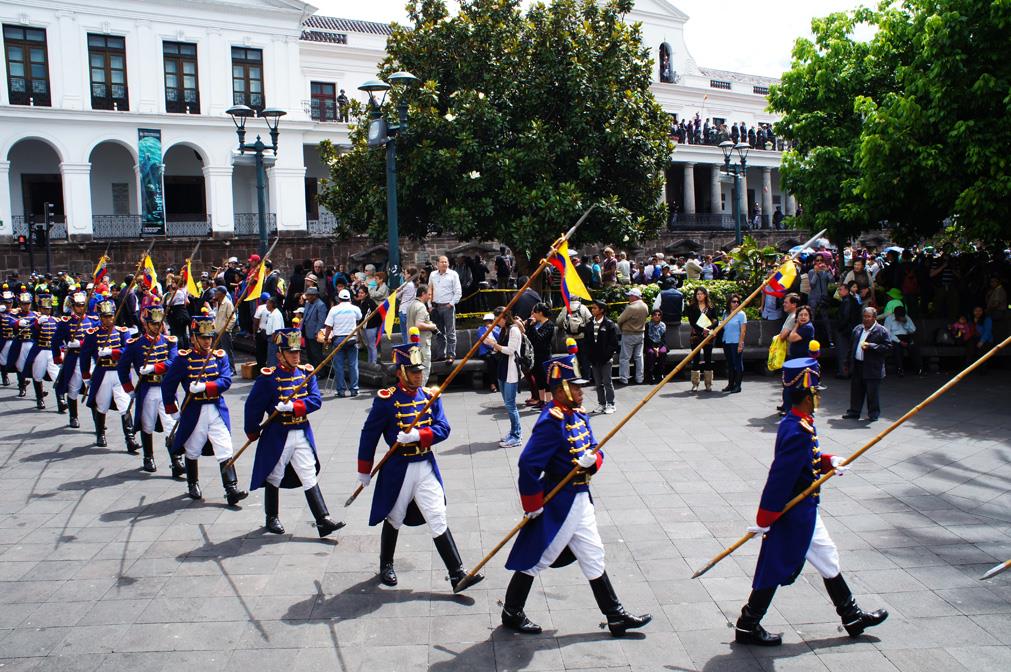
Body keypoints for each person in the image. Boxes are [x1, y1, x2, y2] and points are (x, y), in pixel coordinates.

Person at [734, 357, 887, 646]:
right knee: (775, 566)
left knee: (827, 558)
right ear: (806, 397)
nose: (817, 399)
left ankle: (852, 617)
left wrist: (829, 462)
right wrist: (764, 519)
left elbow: (807, 462)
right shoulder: (796, 430)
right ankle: (747, 624)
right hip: (792, 513)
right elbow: (780, 477)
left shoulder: (799, 423)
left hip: (804, 511)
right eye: (815, 394)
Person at [501, 353, 652, 637]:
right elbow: (528, 464)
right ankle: (512, 611)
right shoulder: (551, 421)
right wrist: (532, 504)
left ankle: (615, 616)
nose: (582, 392)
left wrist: (591, 461)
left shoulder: (578, 415)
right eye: (577, 387)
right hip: (561, 501)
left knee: (593, 554)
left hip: (582, 497)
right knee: (538, 557)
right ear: (561, 390)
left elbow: (596, 448)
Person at [356, 341, 484, 591]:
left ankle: (457, 573)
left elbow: (444, 428)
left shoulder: (429, 396)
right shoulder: (386, 400)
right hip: (399, 467)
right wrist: (364, 469)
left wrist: (419, 435)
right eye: (414, 371)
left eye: (420, 370)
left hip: (425, 464)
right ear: (400, 372)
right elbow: (369, 434)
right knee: (394, 517)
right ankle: (386, 564)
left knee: (437, 515)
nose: (419, 375)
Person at [245, 328, 345, 538]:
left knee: (308, 472)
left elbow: (316, 400)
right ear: (280, 354)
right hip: (278, 433)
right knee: (275, 473)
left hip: (300, 431)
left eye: (297, 352)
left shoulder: (305, 373)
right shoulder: (269, 377)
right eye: (291, 353)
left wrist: (294, 406)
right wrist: (252, 430)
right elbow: (253, 406)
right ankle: (271, 516)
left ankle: (323, 519)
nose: (296, 356)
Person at [162, 314, 247, 506]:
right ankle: (193, 483)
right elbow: (168, 384)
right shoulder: (184, 359)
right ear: (193, 338)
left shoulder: (219, 356)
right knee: (193, 448)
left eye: (209, 337)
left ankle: (231, 488)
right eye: (203, 337)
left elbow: (225, 381)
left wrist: (205, 387)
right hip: (194, 410)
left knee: (224, 446)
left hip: (216, 407)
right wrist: (172, 409)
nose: (208, 341)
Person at [118, 303, 179, 474]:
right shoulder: (136, 344)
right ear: (145, 324)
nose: (157, 327)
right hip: (147, 389)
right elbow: (123, 367)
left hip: (166, 388)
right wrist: (129, 388)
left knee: (171, 423)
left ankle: (176, 460)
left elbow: (173, 362)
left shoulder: (169, 342)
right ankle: (148, 457)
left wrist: (155, 367)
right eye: (153, 324)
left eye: (159, 324)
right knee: (147, 423)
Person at [80, 299, 142, 452]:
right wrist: (86, 375)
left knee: (124, 405)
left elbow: (127, 352)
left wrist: (111, 352)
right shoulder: (93, 334)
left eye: (110, 316)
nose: (108, 319)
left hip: (119, 374)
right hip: (102, 374)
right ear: (100, 317)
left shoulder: (122, 332)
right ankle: (100, 434)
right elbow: (84, 356)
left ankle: (130, 438)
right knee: (102, 405)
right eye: (105, 316)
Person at [54, 291, 99, 428]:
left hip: (89, 359)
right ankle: (73, 416)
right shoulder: (65, 322)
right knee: (73, 388)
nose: (80, 308)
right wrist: (60, 354)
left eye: (82, 305)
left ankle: (98, 422)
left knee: (93, 390)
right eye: (78, 305)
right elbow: (55, 341)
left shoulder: (92, 321)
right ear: (73, 306)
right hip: (74, 358)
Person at [485, 307, 525, 447]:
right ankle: (513, 431)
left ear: (503, 317)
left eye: (497, 319)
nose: (496, 322)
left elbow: (510, 350)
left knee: (510, 404)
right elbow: (500, 348)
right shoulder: (503, 330)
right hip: (502, 368)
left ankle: (517, 435)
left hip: (511, 370)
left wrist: (494, 344)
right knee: (507, 404)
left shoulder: (514, 330)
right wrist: (492, 344)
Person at [843, 307, 892, 422]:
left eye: (868, 317)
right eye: (864, 316)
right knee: (856, 390)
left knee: (872, 392)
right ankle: (854, 412)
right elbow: (851, 347)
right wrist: (847, 362)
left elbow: (888, 347)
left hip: (873, 367)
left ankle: (873, 414)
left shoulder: (881, 331)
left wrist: (871, 346)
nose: (866, 319)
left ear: (874, 318)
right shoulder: (858, 329)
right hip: (858, 365)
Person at [22, 292, 61, 411]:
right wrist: (37, 324)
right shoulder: (35, 320)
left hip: (52, 351)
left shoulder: (56, 320)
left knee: (57, 376)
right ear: (39, 308)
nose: (46, 311)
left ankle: (61, 401)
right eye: (44, 309)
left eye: (48, 309)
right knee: (37, 375)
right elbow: (32, 333)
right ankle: (40, 399)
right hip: (40, 350)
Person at [323, 289, 363, 398]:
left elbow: (328, 326)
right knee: (353, 365)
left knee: (339, 366)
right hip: (352, 339)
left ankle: (341, 390)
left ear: (339, 299)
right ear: (349, 298)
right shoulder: (355, 308)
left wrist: (326, 339)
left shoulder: (334, 309)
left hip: (338, 340)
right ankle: (354, 389)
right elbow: (360, 318)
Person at [583, 299, 619, 414]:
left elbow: (613, 343)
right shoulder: (589, 324)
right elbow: (587, 342)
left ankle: (611, 404)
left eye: (594, 308)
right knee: (598, 384)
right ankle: (602, 404)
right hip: (594, 360)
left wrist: (606, 356)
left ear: (601, 310)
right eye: (592, 308)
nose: (592, 310)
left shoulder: (609, 324)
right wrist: (590, 356)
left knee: (607, 382)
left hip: (606, 360)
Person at [430, 256, 462, 364]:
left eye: (446, 262)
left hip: (448, 306)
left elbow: (458, 291)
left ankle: (450, 355)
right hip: (436, 307)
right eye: (442, 262)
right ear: (437, 264)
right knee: (439, 332)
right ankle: (441, 355)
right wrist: (430, 305)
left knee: (450, 332)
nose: (444, 264)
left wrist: (451, 304)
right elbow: (430, 289)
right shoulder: (433, 275)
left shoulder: (453, 274)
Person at [686, 287, 718, 392]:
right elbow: (692, 322)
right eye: (697, 294)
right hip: (696, 336)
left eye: (701, 293)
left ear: (705, 295)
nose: (699, 295)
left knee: (708, 359)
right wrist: (701, 329)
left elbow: (716, 320)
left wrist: (708, 328)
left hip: (708, 335)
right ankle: (695, 383)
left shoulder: (711, 306)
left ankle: (708, 384)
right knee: (696, 359)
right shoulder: (692, 307)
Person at [407, 284, 438, 384]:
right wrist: (432, 327)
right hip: (422, 344)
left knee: (414, 371)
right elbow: (418, 325)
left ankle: (414, 393)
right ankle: (420, 392)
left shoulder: (411, 305)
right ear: (423, 294)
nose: (430, 297)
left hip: (412, 343)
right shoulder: (421, 307)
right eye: (428, 294)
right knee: (423, 370)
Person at [526, 303, 555, 407]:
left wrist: (533, 326)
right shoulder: (536, 323)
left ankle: (548, 402)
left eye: (535, 312)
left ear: (540, 313)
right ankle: (541, 401)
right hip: (535, 355)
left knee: (546, 379)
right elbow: (529, 336)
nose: (533, 315)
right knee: (538, 379)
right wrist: (529, 325)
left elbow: (541, 339)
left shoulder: (549, 325)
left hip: (544, 355)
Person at [617, 288, 648, 385]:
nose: (629, 297)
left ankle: (624, 378)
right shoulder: (645, 306)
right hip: (640, 334)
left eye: (630, 295)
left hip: (629, 334)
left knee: (625, 358)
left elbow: (620, 320)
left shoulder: (631, 307)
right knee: (639, 357)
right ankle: (640, 378)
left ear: (634, 296)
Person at [556, 299, 592, 382]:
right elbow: (590, 320)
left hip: (570, 339)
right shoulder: (583, 307)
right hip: (582, 337)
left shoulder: (565, 308)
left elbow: (558, 322)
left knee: (573, 359)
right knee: (584, 358)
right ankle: (586, 378)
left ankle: (576, 377)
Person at [882, 306, 922, 376]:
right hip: (895, 338)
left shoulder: (907, 317)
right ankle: (900, 370)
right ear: (895, 314)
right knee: (897, 348)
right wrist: (899, 341)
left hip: (906, 337)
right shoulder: (889, 319)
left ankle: (919, 369)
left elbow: (913, 330)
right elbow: (887, 333)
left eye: (902, 316)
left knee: (914, 347)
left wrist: (905, 323)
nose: (900, 317)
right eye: (899, 316)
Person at [833, 283, 861, 378]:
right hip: (851, 329)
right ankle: (849, 371)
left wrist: (839, 328)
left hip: (845, 330)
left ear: (846, 290)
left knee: (843, 352)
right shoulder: (853, 300)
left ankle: (844, 372)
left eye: (840, 290)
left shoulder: (847, 301)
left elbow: (845, 317)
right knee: (850, 352)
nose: (839, 292)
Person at [721, 294, 747, 393]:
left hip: (736, 342)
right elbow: (722, 326)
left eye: (737, 302)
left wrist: (741, 344)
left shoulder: (741, 314)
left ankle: (738, 385)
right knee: (730, 364)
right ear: (729, 302)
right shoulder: (725, 313)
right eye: (734, 301)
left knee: (738, 364)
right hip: (726, 341)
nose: (736, 303)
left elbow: (743, 331)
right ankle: (730, 384)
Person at [300, 287, 327, 371]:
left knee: (316, 353)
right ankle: (311, 370)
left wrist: (317, 332)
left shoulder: (321, 305)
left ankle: (321, 372)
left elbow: (321, 321)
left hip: (314, 333)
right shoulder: (308, 303)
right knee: (309, 353)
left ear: (314, 296)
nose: (307, 297)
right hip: (306, 331)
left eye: (309, 295)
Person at [211, 286, 236, 376]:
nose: (215, 293)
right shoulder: (218, 302)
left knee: (227, 351)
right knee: (217, 351)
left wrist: (226, 330)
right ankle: (220, 368)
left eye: (217, 292)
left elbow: (233, 318)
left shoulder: (228, 303)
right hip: (217, 331)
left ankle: (231, 369)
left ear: (221, 293)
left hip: (224, 332)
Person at [355, 286, 380, 365]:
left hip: (370, 327)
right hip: (364, 327)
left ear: (366, 294)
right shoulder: (361, 302)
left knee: (372, 345)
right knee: (368, 345)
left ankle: (374, 363)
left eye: (362, 293)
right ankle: (370, 362)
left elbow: (368, 315)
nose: (360, 294)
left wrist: (361, 324)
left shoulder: (370, 302)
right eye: (359, 292)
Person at [476, 313, 500, 393]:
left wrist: (492, 329)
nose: (488, 322)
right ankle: (492, 384)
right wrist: (494, 347)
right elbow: (484, 341)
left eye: (490, 321)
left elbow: (500, 338)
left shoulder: (497, 328)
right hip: (486, 352)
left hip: (497, 350)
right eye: (486, 321)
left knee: (500, 359)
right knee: (491, 359)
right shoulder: (480, 329)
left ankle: (499, 382)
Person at [644, 309, 667, 384]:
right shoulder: (647, 325)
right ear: (652, 316)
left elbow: (663, 339)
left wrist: (658, 348)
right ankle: (650, 375)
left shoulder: (663, 325)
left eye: (659, 315)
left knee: (663, 352)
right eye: (655, 314)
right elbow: (646, 339)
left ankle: (661, 374)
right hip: (650, 345)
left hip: (660, 344)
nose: (657, 316)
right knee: (651, 353)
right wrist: (654, 348)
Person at [263, 296, 285, 368]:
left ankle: (273, 376)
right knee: (270, 359)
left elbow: (276, 330)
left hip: (274, 340)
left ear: (273, 304)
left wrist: (273, 340)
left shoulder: (276, 315)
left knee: (273, 360)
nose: (266, 305)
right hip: (271, 339)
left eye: (268, 303)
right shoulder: (272, 313)